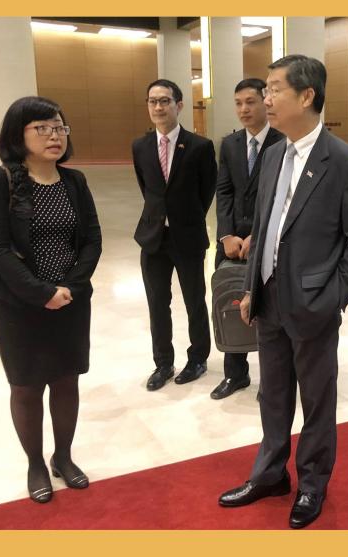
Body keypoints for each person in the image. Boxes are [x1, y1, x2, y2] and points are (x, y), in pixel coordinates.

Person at [218, 55, 348, 529]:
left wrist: (334, 297)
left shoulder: (346, 163)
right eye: (265, 90)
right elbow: (264, 226)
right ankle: (270, 474)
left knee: (316, 400)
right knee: (272, 395)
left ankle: (312, 483)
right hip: (269, 299)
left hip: (313, 304)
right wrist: (252, 287)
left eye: (274, 89)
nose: (265, 99)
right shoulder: (274, 155)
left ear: (307, 96)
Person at [0, 96, 102, 503]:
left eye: (59, 127)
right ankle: (34, 463)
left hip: (70, 302)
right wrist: (40, 292)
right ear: (18, 134)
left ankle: (63, 456)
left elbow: (92, 240)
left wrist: (70, 288)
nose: (54, 136)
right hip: (18, 305)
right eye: (42, 128)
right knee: (27, 387)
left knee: (67, 381)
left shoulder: (74, 181)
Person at [132, 79, 217, 391]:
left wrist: (185, 218)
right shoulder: (140, 146)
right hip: (153, 238)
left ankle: (198, 359)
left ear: (179, 105)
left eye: (165, 101)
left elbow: (207, 191)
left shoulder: (200, 146)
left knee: (195, 300)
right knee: (157, 303)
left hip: (188, 237)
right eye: (153, 101)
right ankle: (163, 363)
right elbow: (147, 188)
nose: (158, 107)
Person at [211, 78, 284, 400]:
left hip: (267, 241)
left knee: (269, 310)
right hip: (232, 243)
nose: (244, 109)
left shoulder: (283, 142)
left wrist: (259, 235)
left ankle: (272, 380)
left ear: (266, 102)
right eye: (238, 103)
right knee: (230, 301)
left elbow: (282, 196)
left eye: (250, 102)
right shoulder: (230, 144)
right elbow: (224, 191)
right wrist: (226, 234)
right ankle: (235, 374)